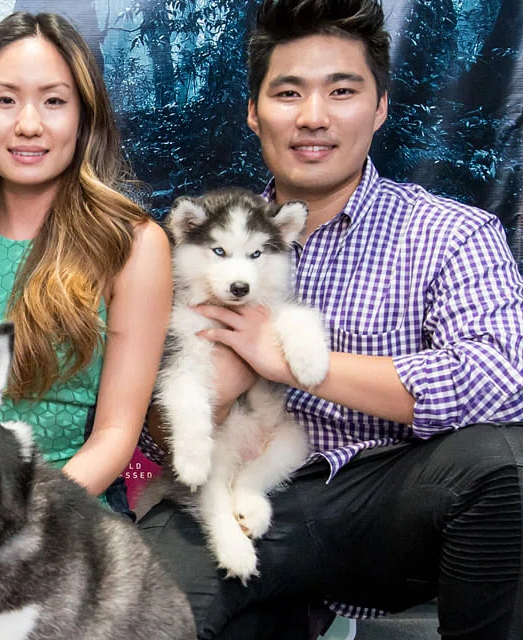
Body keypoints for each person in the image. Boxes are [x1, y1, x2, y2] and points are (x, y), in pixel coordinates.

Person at [137, 0, 523, 638]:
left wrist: (286, 362)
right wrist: (215, 396)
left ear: (380, 107)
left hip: (392, 501)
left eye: (342, 91)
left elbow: (501, 381)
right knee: (144, 611)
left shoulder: (452, 233)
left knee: (505, 463)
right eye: (288, 92)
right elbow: (158, 438)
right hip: (247, 493)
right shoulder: (202, 250)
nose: (313, 116)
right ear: (254, 112)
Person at [0, 12, 172, 511]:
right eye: (5, 100)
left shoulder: (133, 245)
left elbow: (114, 434)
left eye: (54, 101)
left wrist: (17, 516)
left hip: (67, 515)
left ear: (84, 118)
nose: (28, 125)